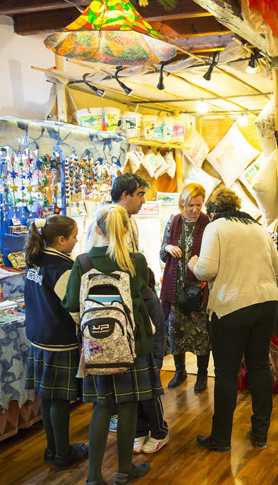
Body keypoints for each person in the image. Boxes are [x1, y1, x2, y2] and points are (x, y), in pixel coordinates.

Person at [62, 206, 163, 485]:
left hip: (96, 348)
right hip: (134, 345)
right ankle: (124, 471)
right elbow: (143, 296)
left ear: (96, 229)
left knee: (101, 406)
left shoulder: (82, 262)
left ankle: (94, 477)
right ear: (127, 229)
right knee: (129, 404)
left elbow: (71, 305)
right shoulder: (136, 261)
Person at [189, 187, 278, 453]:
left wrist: (192, 264)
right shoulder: (258, 228)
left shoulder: (216, 227)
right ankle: (261, 433)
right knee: (260, 368)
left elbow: (206, 270)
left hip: (231, 306)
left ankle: (221, 439)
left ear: (214, 211)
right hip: (266, 303)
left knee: (226, 373)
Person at [89, 174, 169, 453]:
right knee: (141, 373)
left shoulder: (91, 256)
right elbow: (133, 278)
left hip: (120, 316)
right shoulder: (114, 227)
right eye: (140, 194)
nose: (144, 200)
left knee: (136, 377)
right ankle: (145, 429)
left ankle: (148, 429)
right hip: (130, 313)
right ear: (124, 195)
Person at [23, 215, 88, 471]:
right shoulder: (62, 268)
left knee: (47, 398)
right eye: (73, 236)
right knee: (60, 399)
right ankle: (63, 453)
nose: (76, 240)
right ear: (61, 240)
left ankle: (52, 449)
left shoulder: (35, 260)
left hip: (39, 338)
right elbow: (72, 306)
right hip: (60, 340)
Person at [159, 183, 211, 392]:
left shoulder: (208, 223)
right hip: (175, 288)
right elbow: (162, 253)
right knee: (175, 331)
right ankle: (180, 372)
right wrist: (168, 247)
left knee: (201, 334)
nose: (195, 209)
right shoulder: (173, 222)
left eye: (199, 205)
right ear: (182, 204)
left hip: (198, 289)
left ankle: (202, 375)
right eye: (191, 205)